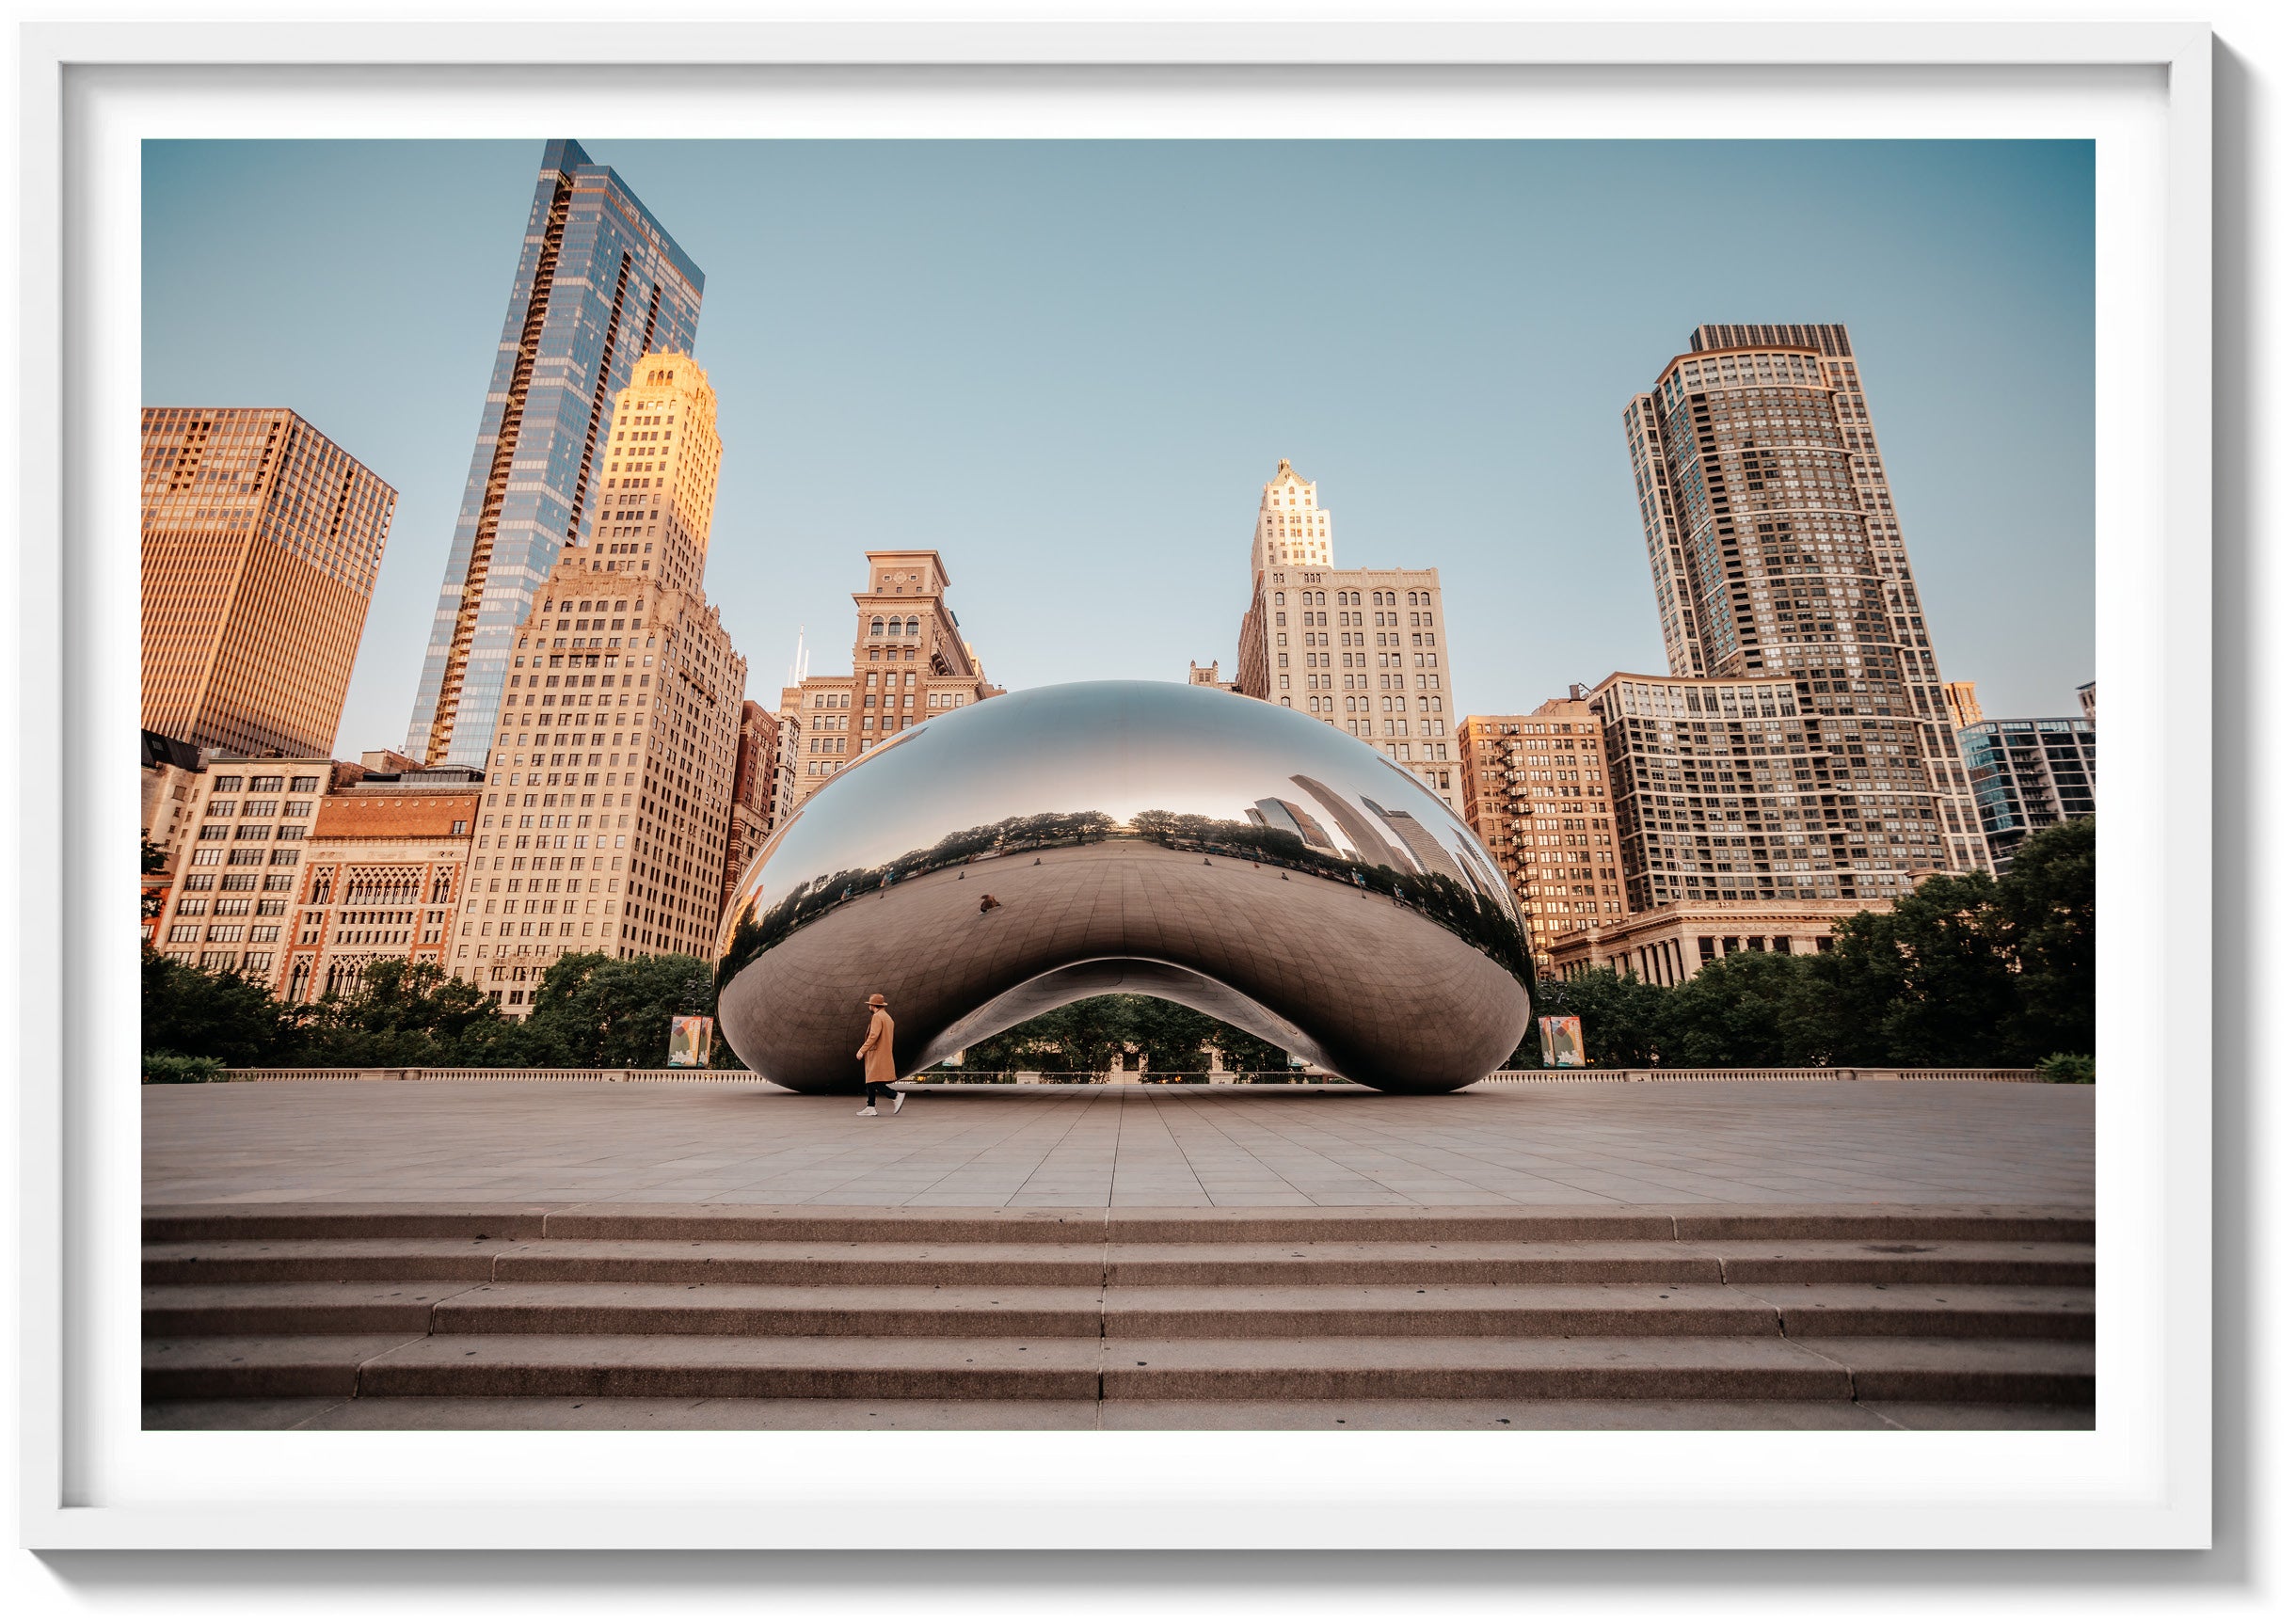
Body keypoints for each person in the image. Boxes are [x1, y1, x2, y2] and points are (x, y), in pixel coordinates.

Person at [855, 992, 905, 1115]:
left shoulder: (877, 1017)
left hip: (876, 1053)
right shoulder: (888, 1018)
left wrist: (862, 1050)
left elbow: (873, 1036)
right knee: (870, 1080)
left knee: (874, 1081)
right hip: (883, 1052)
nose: (869, 1007)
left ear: (873, 1005)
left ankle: (895, 1095)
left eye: (869, 1005)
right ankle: (870, 1107)